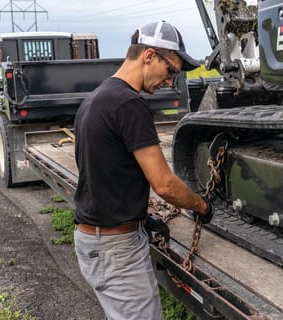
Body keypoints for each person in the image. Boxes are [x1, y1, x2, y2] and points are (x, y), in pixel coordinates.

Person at [73, 21, 213, 320]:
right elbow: (164, 184)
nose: (170, 81)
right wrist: (202, 206)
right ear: (149, 56)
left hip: (95, 239)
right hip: (116, 249)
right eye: (171, 71)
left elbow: (100, 172)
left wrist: (138, 215)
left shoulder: (94, 100)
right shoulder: (129, 104)